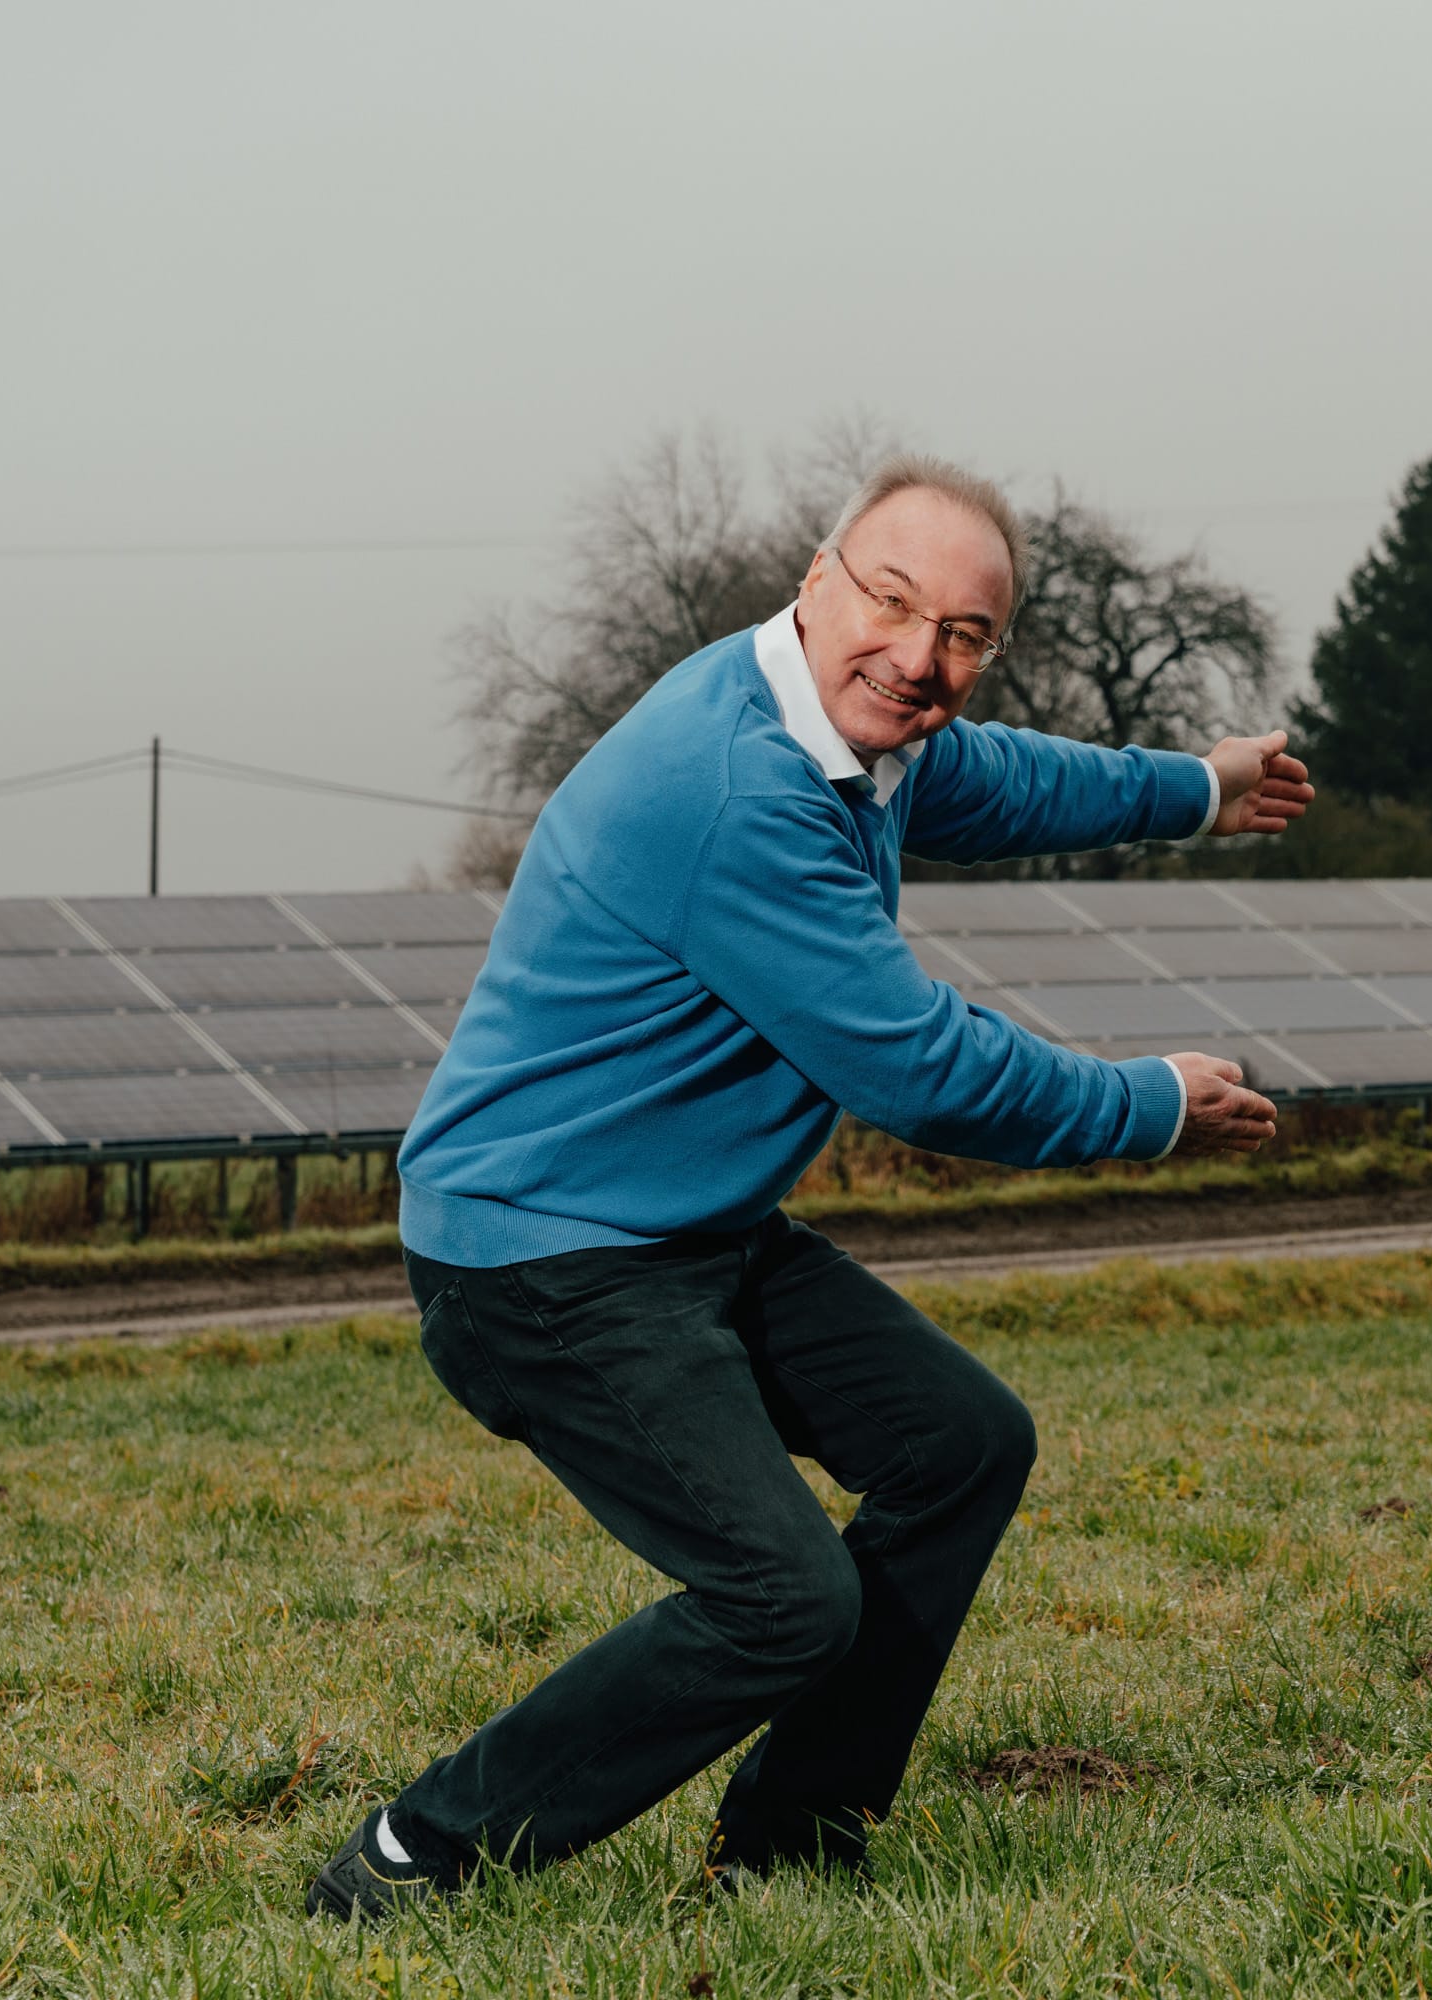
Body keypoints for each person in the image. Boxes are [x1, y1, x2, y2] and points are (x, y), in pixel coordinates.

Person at [309, 455, 1311, 1916]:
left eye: (963, 635)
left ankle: (790, 1849)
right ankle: (418, 1853)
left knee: (961, 1444)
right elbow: (920, 1068)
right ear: (815, 579)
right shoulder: (738, 791)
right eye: (891, 603)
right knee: (781, 1599)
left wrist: (1196, 790)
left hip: (687, 1232)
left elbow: (1001, 777)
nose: (919, 658)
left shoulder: (846, 722)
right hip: (537, 1259)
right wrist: (1150, 1104)